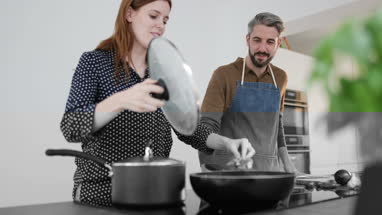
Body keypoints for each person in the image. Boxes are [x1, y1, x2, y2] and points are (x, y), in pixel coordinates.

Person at [60, 0, 255, 207]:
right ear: (129, 14)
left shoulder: (163, 72)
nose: (161, 25)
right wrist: (122, 99)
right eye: (153, 16)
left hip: (157, 191)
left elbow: (189, 128)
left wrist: (227, 143)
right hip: (101, 194)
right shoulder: (94, 62)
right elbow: (71, 127)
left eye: (165, 20)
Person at [198, 12, 299, 173]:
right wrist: (207, 166)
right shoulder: (224, 74)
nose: (262, 48)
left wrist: (287, 163)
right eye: (257, 40)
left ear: (278, 43)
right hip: (231, 173)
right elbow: (205, 128)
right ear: (248, 40)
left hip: (270, 174)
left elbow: (277, 127)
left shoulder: (280, 77)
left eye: (270, 42)